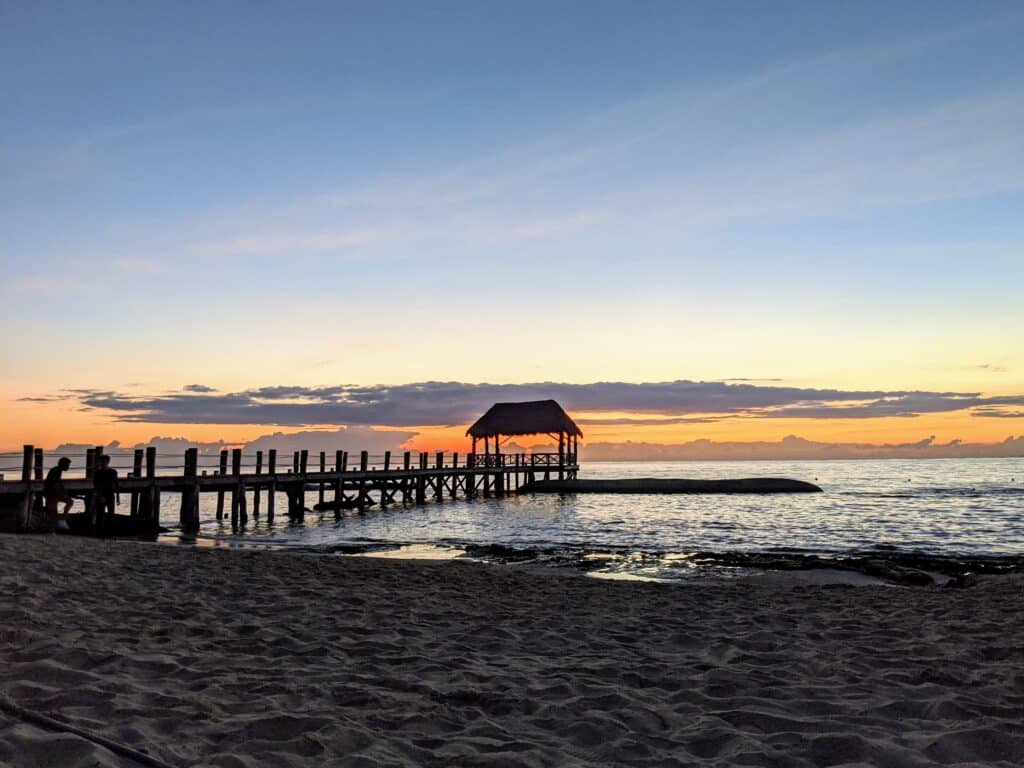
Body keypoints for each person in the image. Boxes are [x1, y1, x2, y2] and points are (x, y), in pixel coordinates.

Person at [43, 457, 73, 529]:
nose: (68, 467)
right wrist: (63, 493)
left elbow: (57, 484)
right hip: (52, 494)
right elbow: (55, 485)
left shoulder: (56, 470)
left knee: (69, 502)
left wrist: (63, 492)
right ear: (63, 464)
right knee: (54, 513)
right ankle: (62, 519)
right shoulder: (56, 471)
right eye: (67, 465)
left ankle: (62, 518)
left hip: (52, 493)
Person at [93, 454, 119, 535]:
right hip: (101, 495)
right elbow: (96, 486)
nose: (102, 463)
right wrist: (99, 496)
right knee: (100, 514)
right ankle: (99, 532)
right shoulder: (98, 472)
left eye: (104, 461)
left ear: (108, 462)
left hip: (110, 494)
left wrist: (118, 497)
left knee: (111, 514)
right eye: (101, 461)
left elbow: (116, 484)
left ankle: (110, 531)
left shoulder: (113, 472)